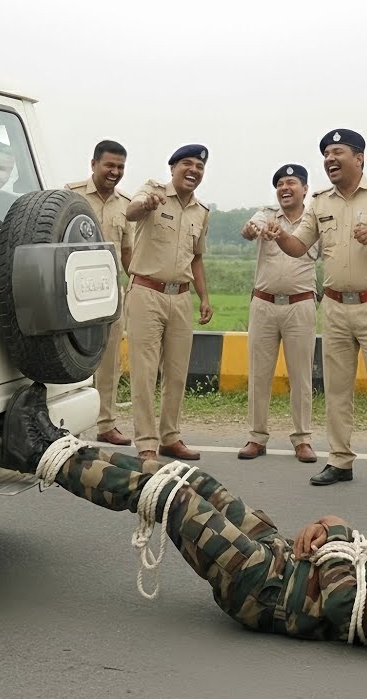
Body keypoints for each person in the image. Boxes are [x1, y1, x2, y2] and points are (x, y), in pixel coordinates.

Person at [0, 382, 367, 653]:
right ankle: (55, 446)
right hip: (281, 558)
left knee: (174, 501)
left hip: (266, 589)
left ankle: (41, 454)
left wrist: (336, 539)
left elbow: (345, 603)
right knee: (195, 481)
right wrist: (332, 528)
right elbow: (356, 561)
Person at [266, 129, 367, 499]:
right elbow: (298, 246)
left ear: (358, 158)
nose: (329, 159)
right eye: (326, 153)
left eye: (337, 152)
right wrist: (279, 235)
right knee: (337, 390)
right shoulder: (320, 202)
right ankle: (340, 461)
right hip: (336, 306)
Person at [124, 144, 214, 462]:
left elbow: (198, 258)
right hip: (146, 293)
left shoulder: (201, 211)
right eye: (186, 164)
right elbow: (131, 211)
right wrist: (146, 203)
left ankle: (170, 437)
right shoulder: (153, 191)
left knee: (176, 373)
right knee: (145, 372)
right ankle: (146, 443)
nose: (193, 170)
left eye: (199, 166)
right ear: (173, 167)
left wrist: (204, 297)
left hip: (181, 298)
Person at [237, 165, 319, 464]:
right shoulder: (266, 214)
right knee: (259, 374)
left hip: (300, 305)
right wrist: (250, 230)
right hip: (264, 304)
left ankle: (302, 439)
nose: (285, 188)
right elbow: (251, 229)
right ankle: (256, 437)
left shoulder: (316, 219)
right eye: (281, 184)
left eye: (292, 183)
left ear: (305, 189)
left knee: (301, 375)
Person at [66, 140, 135, 446]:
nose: (114, 172)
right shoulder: (70, 195)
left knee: (109, 361)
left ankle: (106, 423)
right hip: (72, 291)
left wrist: (135, 286)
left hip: (110, 293)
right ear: (93, 164)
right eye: (109, 165)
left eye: (120, 167)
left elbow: (129, 253)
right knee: (72, 358)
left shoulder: (126, 205)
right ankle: (68, 425)